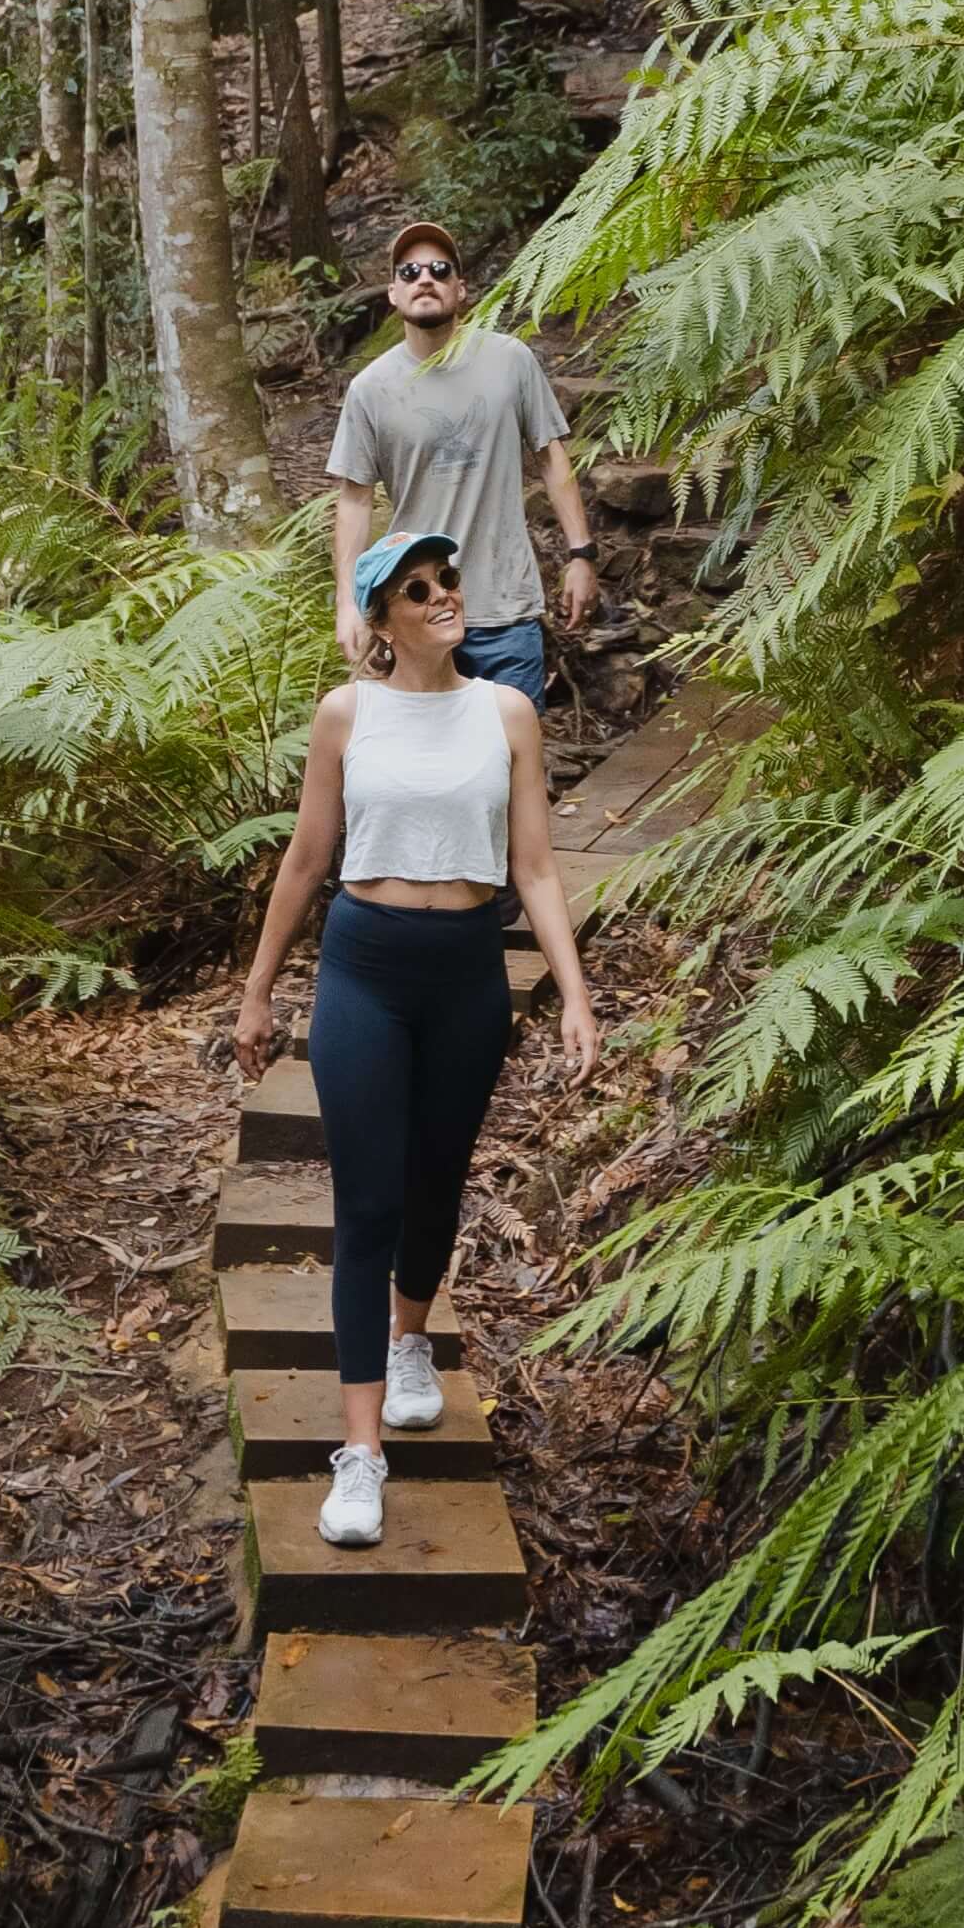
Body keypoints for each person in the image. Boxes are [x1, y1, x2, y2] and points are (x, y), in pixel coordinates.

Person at [233, 522, 600, 1547]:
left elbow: (532, 867)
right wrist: (257, 994)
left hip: (465, 977)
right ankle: (359, 1455)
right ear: (383, 620)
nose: (444, 592)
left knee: (438, 1181)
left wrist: (573, 993)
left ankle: (409, 1339)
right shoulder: (346, 714)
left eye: (448, 575)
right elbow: (305, 861)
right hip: (364, 967)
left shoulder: (508, 712)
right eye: (417, 586)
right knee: (370, 1202)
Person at [324, 217, 599, 707]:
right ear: (392, 293)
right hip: (416, 613)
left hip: (506, 608)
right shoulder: (370, 388)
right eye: (409, 272)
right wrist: (348, 603)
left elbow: (552, 457)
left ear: (461, 288)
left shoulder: (510, 361)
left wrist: (582, 555)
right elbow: (355, 500)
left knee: (515, 764)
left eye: (439, 269)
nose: (424, 279)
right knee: (431, 772)